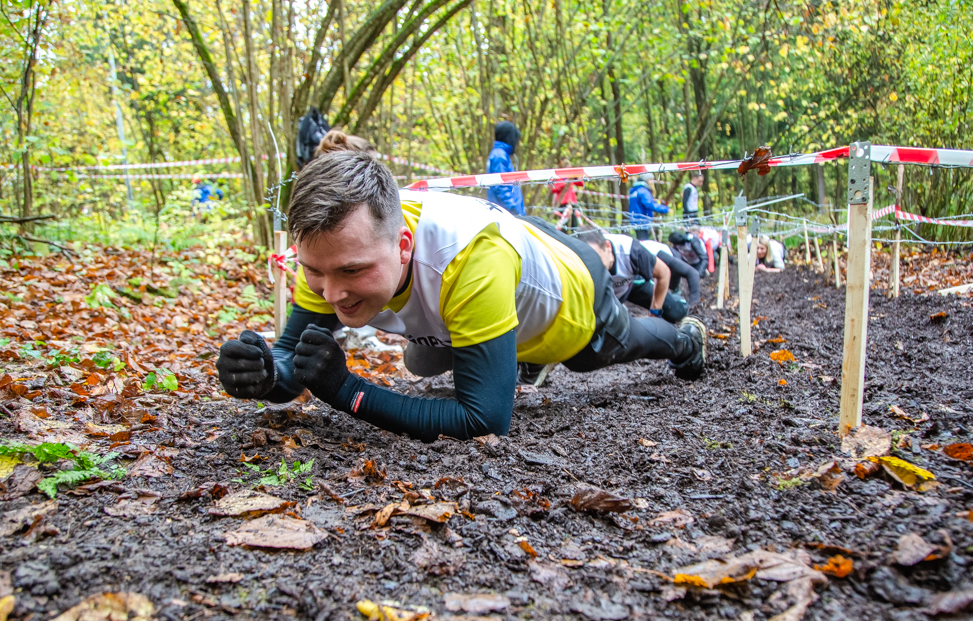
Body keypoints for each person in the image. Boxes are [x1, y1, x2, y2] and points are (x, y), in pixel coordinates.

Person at [215, 151, 707, 442]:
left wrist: (348, 392)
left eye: (353, 272)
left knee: (617, 347)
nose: (332, 292)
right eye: (314, 272)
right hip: (499, 263)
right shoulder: (332, 249)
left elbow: (484, 419)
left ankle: (685, 342)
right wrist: (264, 375)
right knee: (421, 362)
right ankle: (503, 351)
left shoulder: (467, 259)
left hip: (569, 288)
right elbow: (290, 362)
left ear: (402, 245)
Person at [640, 239, 703, 307]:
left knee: (671, 291)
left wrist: (694, 305)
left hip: (670, 256)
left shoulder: (660, 256)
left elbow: (693, 273)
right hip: (650, 255)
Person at [486, 121, 525, 215]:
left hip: (506, 211)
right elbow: (501, 186)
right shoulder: (499, 156)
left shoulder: (500, 154)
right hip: (507, 213)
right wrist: (512, 208)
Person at [628, 173, 670, 241]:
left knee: (640, 240)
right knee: (644, 242)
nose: (652, 182)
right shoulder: (643, 191)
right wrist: (665, 209)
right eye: (650, 179)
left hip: (635, 220)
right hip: (643, 221)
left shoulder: (633, 190)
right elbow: (649, 204)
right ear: (645, 180)